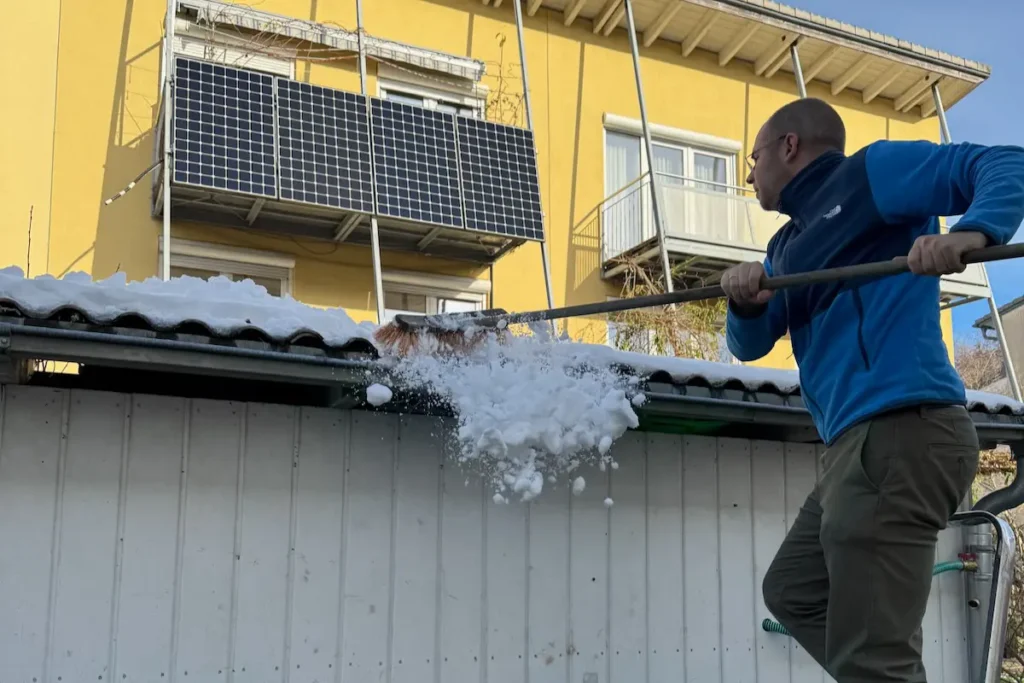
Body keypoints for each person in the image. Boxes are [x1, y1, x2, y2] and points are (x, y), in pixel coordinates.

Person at [722, 97, 1024, 682]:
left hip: (898, 431)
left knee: (872, 661)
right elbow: (751, 344)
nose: (751, 174)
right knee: (793, 590)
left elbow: (1006, 163)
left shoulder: (871, 174)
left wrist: (971, 233)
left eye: (752, 159)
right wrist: (742, 300)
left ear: (789, 146)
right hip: (854, 449)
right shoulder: (787, 249)